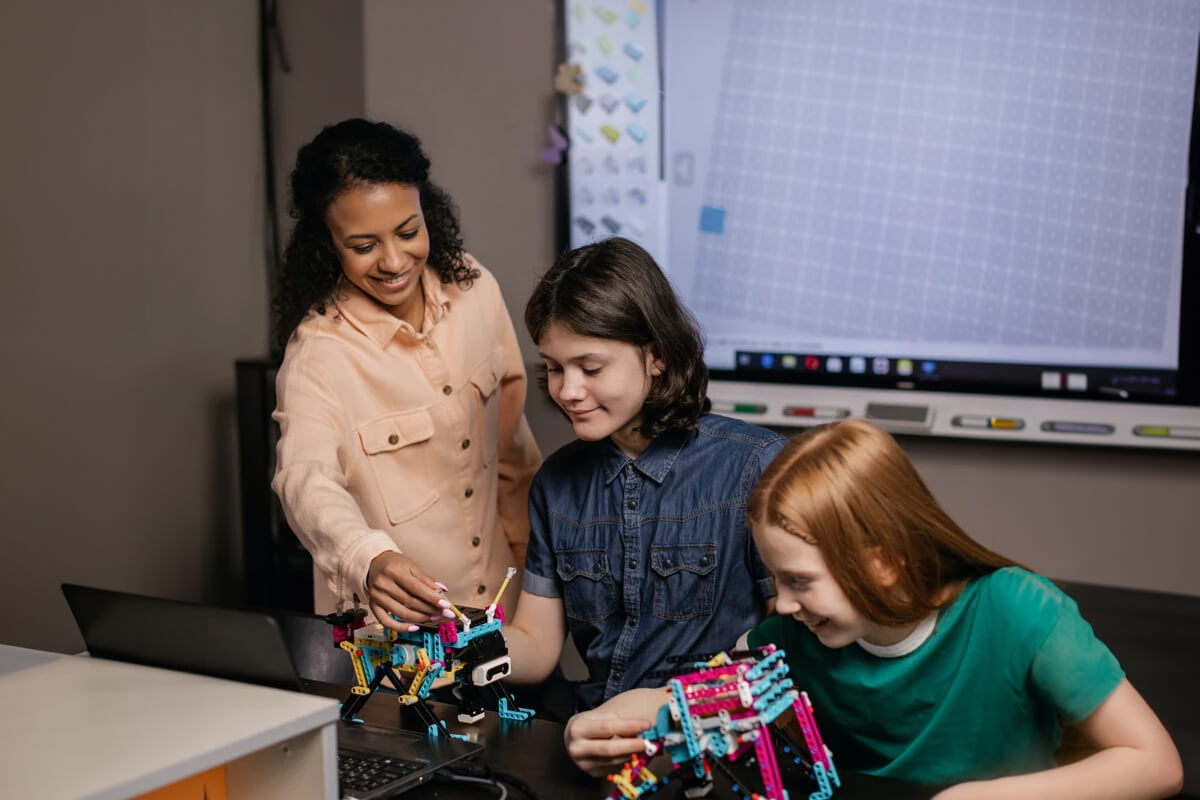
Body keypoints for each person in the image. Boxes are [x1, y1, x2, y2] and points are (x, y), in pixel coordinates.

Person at [741, 419, 1183, 799]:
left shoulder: (1015, 608)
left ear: (883, 563)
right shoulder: (790, 637)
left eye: (800, 580)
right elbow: (698, 701)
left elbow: (1156, 764)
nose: (783, 602)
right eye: (776, 578)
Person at [500, 237, 786, 765]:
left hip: (721, 752)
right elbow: (537, 648)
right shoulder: (556, 483)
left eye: (590, 367)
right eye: (554, 368)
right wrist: (449, 648)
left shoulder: (755, 466)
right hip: (599, 745)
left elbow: (790, 655)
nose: (566, 391)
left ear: (656, 356)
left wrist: (669, 705)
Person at [271, 118, 541, 630]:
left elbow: (512, 453)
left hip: (508, 614)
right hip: (400, 646)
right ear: (326, 242)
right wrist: (368, 557)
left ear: (427, 213)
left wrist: (542, 581)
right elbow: (304, 480)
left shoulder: (476, 289)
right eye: (364, 245)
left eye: (408, 232)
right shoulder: (318, 356)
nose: (394, 261)